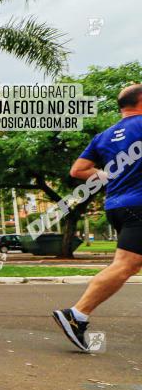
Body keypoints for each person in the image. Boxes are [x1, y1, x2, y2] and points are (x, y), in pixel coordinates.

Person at [53, 83, 142, 350]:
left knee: (129, 264)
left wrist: (109, 175)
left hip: (116, 206)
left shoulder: (104, 136)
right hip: (138, 206)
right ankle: (76, 314)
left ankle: (77, 315)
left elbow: (78, 170)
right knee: (125, 265)